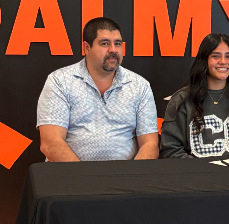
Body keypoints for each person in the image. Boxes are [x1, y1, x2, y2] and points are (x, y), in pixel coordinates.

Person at [37, 17, 159, 161]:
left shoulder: (139, 85)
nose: (113, 50)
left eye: (117, 44)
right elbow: (51, 144)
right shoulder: (60, 81)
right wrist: (88, 180)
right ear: (86, 48)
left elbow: (150, 145)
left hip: (125, 178)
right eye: (105, 43)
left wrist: (130, 181)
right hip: (72, 178)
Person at [160, 33, 229, 159]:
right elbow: (171, 148)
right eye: (216, 56)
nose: (223, 62)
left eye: (228, 56)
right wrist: (206, 171)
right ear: (204, 60)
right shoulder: (182, 99)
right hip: (199, 176)